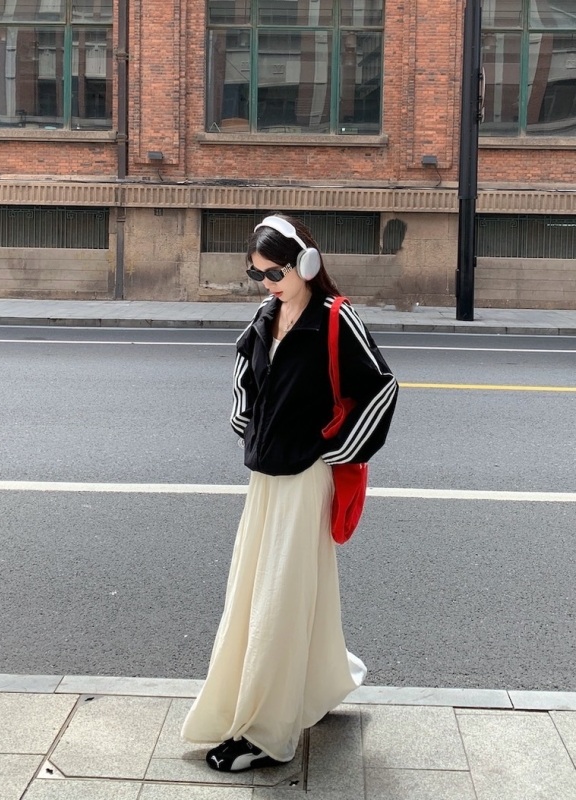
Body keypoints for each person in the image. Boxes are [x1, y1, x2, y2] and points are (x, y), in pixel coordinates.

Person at [181, 213, 398, 772]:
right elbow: (244, 374)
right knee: (266, 589)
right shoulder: (265, 315)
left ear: (306, 262)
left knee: (278, 598)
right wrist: (248, 425)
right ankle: (318, 686)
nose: (267, 283)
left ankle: (264, 731)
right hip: (265, 477)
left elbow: (381, 388)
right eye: (257, 274)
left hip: (304, 479)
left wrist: (335, 452)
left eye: (275, 272)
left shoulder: (335, 318)